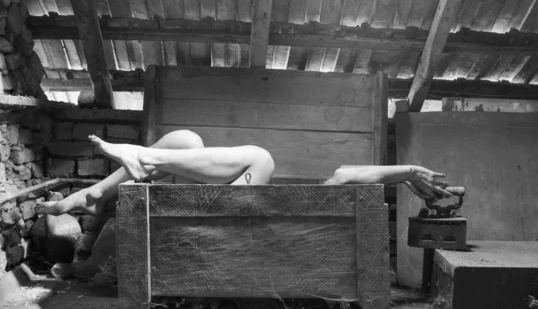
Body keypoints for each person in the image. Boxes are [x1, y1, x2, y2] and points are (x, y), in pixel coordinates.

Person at [35, 130, 450, 216]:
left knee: (261, 157)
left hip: (251, 223)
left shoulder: (327, 205)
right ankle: (96, 195)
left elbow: (345, 177)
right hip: (233, 206)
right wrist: (410, 173)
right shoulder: (334, 188)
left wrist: (409, 171)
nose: (336, 180)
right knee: (185, 140)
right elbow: (344, 171)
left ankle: (142, 159)